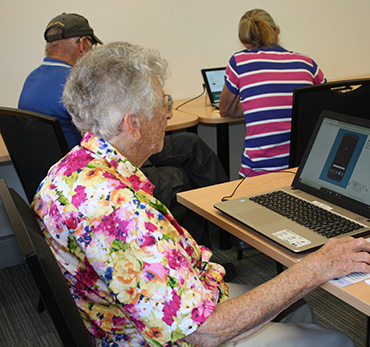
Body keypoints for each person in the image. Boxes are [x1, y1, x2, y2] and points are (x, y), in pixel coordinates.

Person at [32, 41, 370, 346]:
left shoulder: (71, 170)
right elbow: (206, 331)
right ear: (133, 123)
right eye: (162, 103)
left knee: (298, 305)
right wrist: (317, 266)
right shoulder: (115, 208)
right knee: (338, 339)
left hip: (157, 307)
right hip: (176, 335)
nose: (167, 113)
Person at [18, 12, 228, 250]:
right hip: (101, 164)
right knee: (178, 176)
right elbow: (114, 134)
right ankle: (215, 244)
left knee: (189, 143)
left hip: (70, 169)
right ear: (83, 44)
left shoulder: (31, 80)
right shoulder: (79, 82)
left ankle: (223, 224)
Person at [220, 9, 326, 177]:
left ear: (245, 40)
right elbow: (326, 104)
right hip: (302, 171)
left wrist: (255, 105)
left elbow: (225, 110)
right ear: (276, 32)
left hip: (258, 174)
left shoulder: (239, 62)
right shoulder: (307, 63)